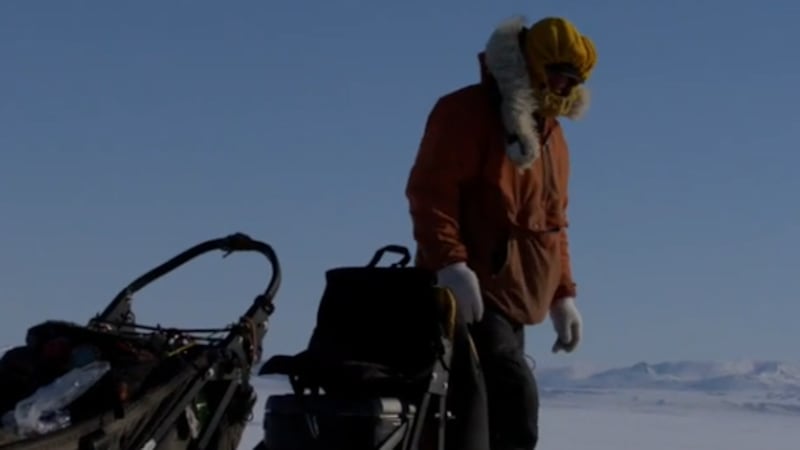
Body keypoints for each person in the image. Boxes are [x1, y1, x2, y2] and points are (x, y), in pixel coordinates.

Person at [405, 15, 597, 450]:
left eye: (572, 80)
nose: (564, 89)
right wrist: (450, 264)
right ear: (532, 65)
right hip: (470, 295)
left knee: (489, 416)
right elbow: (430, 194)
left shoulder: (553, 137)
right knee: (512, 399)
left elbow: (554, 224)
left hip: (518, 298)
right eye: (557, 75)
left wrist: (562, 294)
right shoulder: (464, 113)